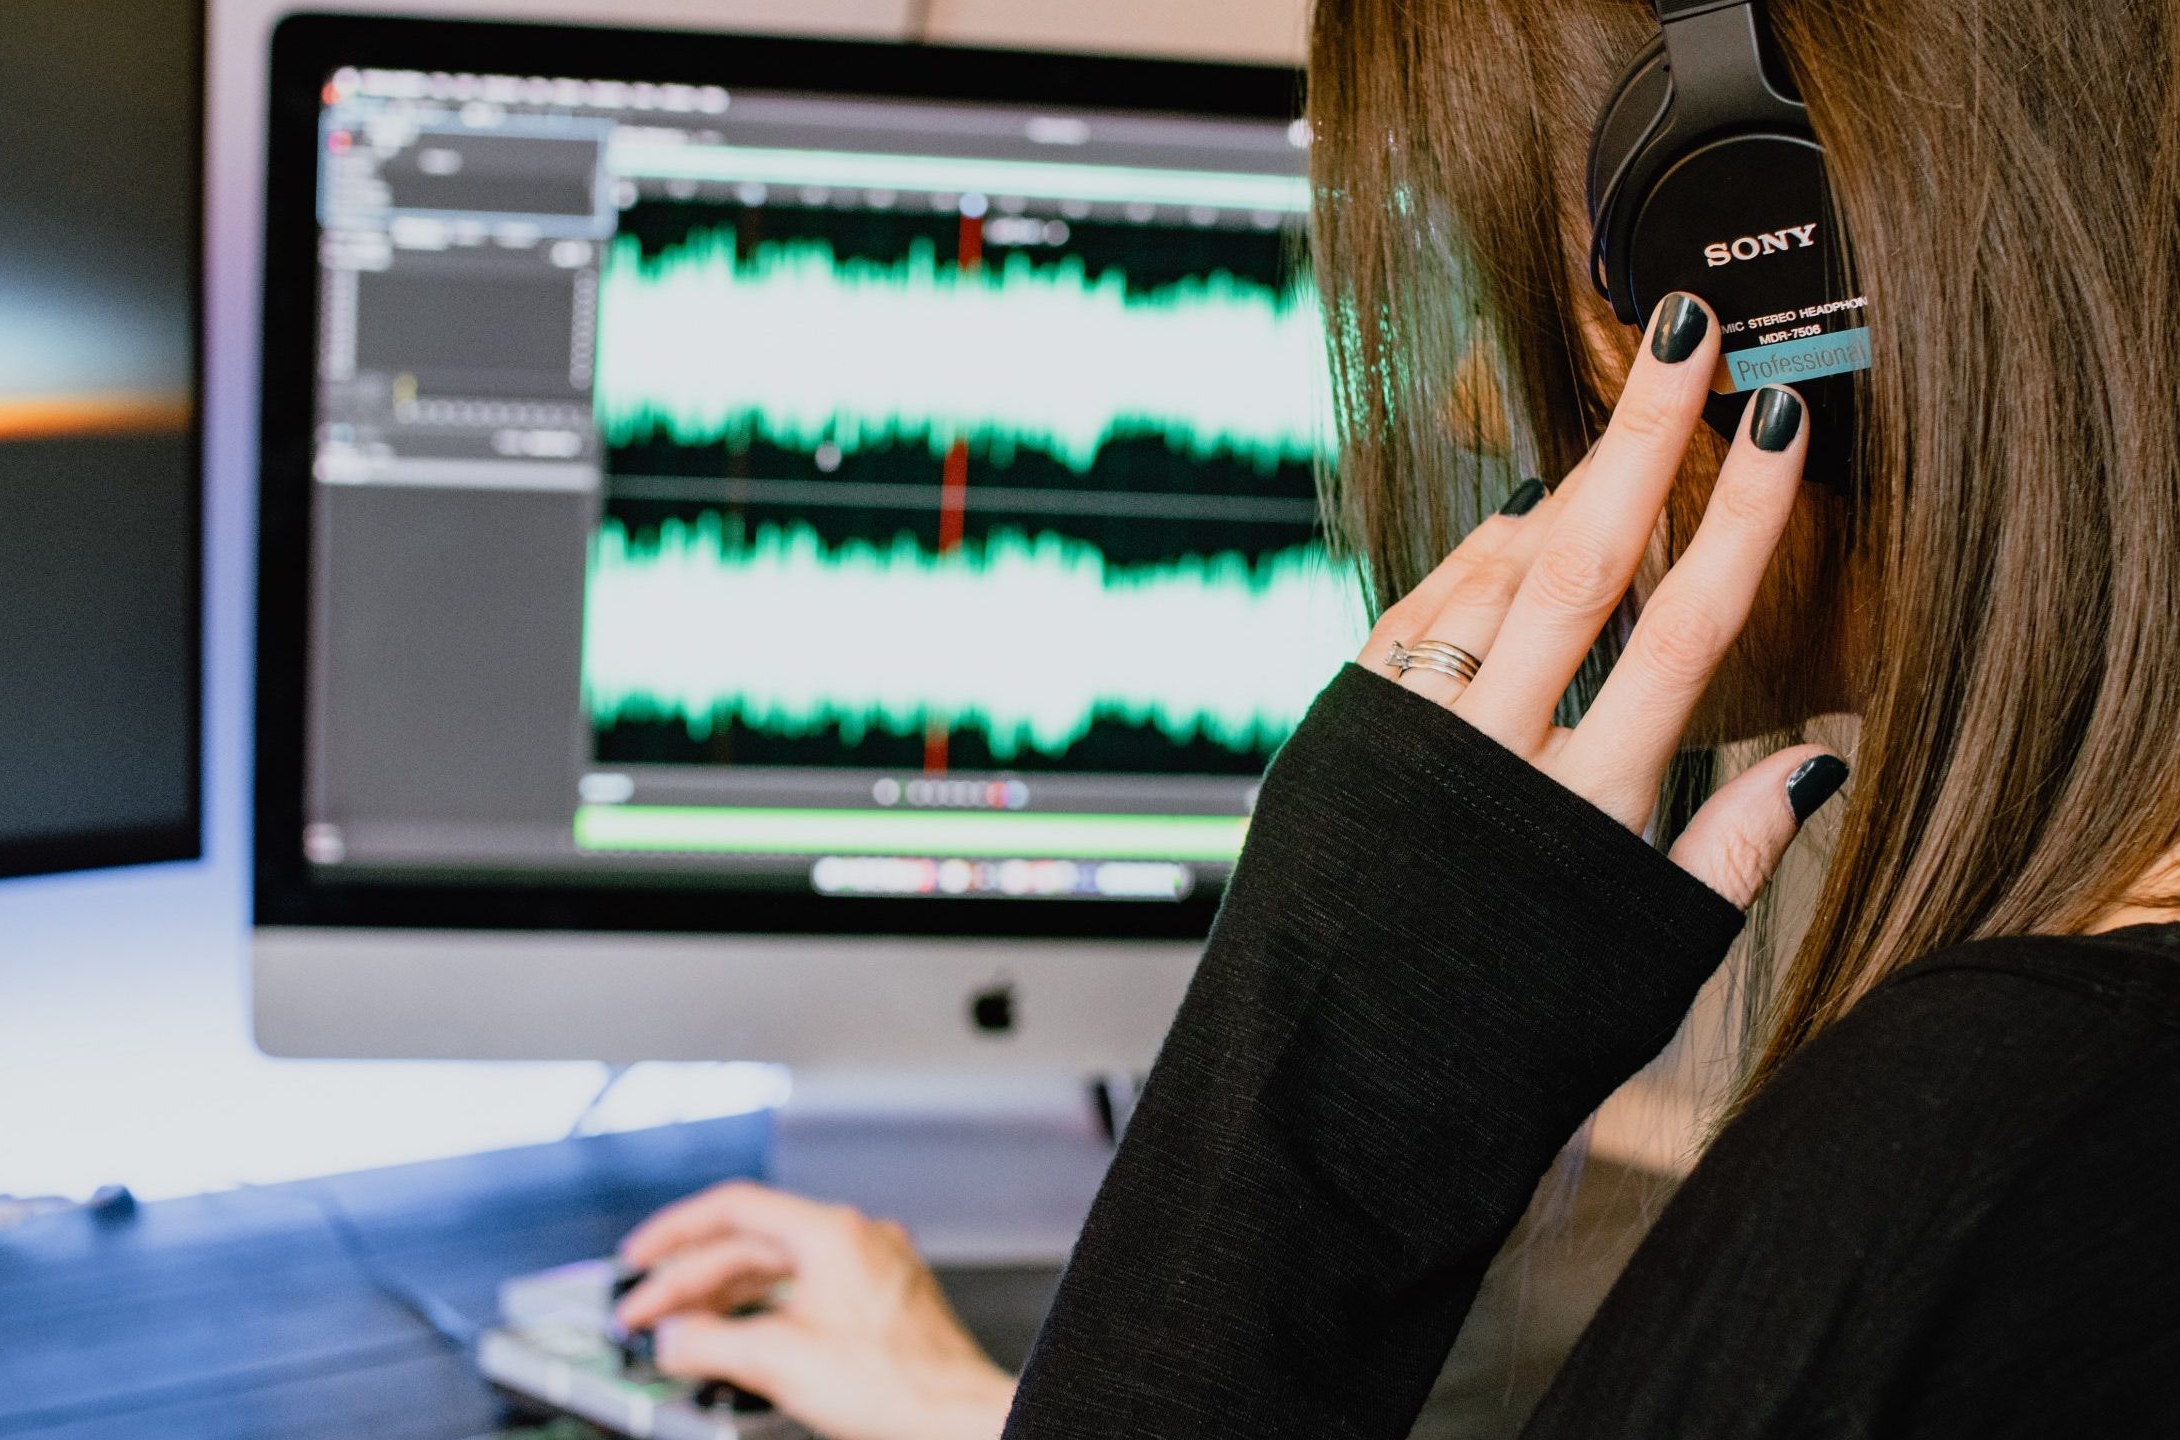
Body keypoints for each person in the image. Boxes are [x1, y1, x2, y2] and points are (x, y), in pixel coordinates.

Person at [615, 1, 2180, 1435]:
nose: (1463, 411)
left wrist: (1330, 1078)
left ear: (1776, 258)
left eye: (1524, 264)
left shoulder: (1970, 1152)